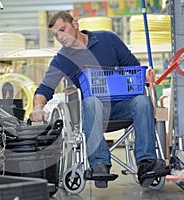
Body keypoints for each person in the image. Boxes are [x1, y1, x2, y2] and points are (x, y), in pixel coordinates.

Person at [29, 11, 165, 188]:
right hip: (92, 113)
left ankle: (146, 164)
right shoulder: (62, 59)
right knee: (92, 101)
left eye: (63, 30)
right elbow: (44, 89)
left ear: (75, 24)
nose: (60, 37)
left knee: (142, 101)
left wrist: (146, 74)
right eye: (56, 35)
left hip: (121, 107)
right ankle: (99, 165)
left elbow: (133, 68)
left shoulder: (108, 40)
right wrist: (38, 107)